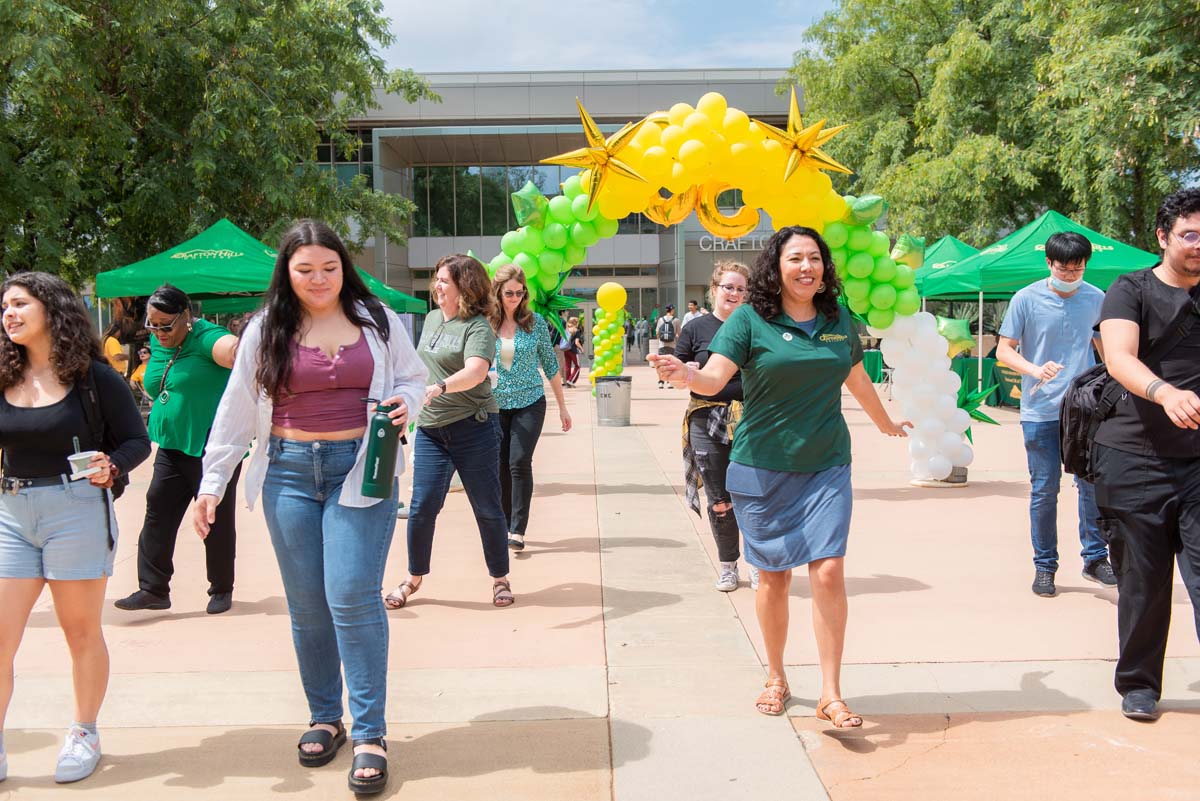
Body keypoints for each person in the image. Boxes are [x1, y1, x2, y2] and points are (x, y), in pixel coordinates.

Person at [194, 219, 426, 794]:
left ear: (344, 267)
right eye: (305, 270)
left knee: (350, 594)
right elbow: (238, 406)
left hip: (362, 469)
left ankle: (370, 732)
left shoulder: (377, 319)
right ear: (287, 273)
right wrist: (212, 483)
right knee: (307, 606)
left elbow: (414, 378)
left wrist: (405, 402)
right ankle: (327, 717)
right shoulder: (267, 327)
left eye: (329, 267)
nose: (318, 279)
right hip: (289, 475)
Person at [650, 227, 908, 726]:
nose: (806, 267)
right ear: (777, 266)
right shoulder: (748, 320)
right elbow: (714, 377)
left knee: (829, 570)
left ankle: (831, 693)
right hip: (763, 465)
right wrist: (684, 375)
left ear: (824, 267)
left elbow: (855, 376)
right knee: (772, 578)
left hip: (827, 463)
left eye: (814, 258)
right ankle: (777, 676)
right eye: (795, 258)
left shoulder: (838, 319)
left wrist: (885, 423)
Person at [0, 272, 150, 784]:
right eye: (5, 307)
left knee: (81, 632)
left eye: (20, 304)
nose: (9, 314)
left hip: (76, 508)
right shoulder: (1, 373)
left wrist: (113, 465)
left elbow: (136, 441)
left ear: (51, 309)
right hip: (11, 511)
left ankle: (84, 731)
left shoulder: (92, 377)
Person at [1093, 188, 1200, 722]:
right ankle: (1139, 684)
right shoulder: (1129, 289)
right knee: (1143, 580)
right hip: (1136, 458)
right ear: (1163, 237)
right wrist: (1165, 392)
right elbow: (1118, 357)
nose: (1199, 245)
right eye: (1190, 234)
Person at [384, 253, 514, 611]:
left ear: (464, 287)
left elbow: (475, 371)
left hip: (474, 429)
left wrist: (439, 388)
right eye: (437, 279)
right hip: (430, 430)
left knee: (487, 507)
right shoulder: (430, 320)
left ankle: (499, 578)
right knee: (422, 506)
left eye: (444, 280)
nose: (437, 286)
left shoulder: (478, 327)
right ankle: (413, 577)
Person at [996, 231, 1113, 597]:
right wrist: (1033, 369)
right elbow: (1003, 350)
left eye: (1077, 268)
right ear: (1049, 263)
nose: (1070, 274)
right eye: (1063, 269)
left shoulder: (1098, 299)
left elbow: (1108, 351)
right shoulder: (1026, 299)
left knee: (1091, 486)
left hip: (1085, 411)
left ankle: (1095, 559)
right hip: (1041, 410)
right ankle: (1045, 566)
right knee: (1045, 490)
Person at [113, 286, 242, 615]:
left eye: (165, 325)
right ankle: (153, 589)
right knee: (157, 509)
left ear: (187, 317)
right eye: (152, 324)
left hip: (210, 447)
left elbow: (233, 351)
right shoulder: (159, 341)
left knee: (214, 517)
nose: (158, 332)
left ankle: (221, 588)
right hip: (172, 445)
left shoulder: (206, 337)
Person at [673, 261, 757, 592]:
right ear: (714, 290)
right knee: (720, 499)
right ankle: (728, 565)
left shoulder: (755, 326)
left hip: (751, 418)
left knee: (753, 496)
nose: (734, 294)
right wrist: (685, 368)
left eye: (741, 289)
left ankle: (757, 564)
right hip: (705, 418)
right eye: (728, 287)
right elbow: (679, 366)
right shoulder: (696, 328)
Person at [487, 265, 572, 552]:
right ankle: (504, 522)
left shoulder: (534, 322)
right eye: (508, 292)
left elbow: (550, 366)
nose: (514, 298)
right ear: (497, 292)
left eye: (519, 292)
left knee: (519, 462)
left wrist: (563, 407)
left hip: (530, 402)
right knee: (500, 465)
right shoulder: (486, 324)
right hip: (495, 406)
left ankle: (517, 529)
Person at [655, 305, 679, 388]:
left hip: (662, 345)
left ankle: (661, 381)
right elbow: (679, 333)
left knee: (661, 363)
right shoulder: (676, 320)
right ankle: (669, 382)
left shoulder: (661, 320)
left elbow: (657, 332)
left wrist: (660, 340)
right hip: (672, 345)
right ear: (672, 310)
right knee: (670, 363)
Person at [562, 316, 584, 388]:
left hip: (566, 350)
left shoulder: (566, 330)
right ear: (575, 323)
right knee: (577, 366)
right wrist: (581, 348)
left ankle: (567, 382)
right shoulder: (576, 330)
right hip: (573, 351)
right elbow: (576, 342)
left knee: (567, 366)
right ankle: (571, 381)